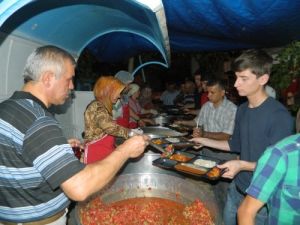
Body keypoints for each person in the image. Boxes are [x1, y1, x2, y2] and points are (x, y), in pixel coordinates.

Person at [0, 45, 149, 224]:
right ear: (48, 78)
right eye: (69, 79)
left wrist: (58, 148)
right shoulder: (38, 120)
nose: (72, 87)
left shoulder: (7, 108)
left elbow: (17, 158)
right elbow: (80, 188)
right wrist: (125, 150)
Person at [191, 49, 294, 225]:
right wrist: (203, 140)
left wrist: (241, 165)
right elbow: (234, 144)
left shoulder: (279, 116)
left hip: (260, 198)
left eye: (244, 78)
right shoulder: (243, 109)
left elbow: (278, 167)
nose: (236, 84)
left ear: (263, 79)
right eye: (236, 77)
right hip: (237, 188)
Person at [238, 134, 300, 225]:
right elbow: (246, 212)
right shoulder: (282, 152)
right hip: (243, 186)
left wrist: (242, 165)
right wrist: (241, 165)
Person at [84, 76, 137, 163]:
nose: (119, 96)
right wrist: (131, 133)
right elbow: (109, 127)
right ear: (109, 91)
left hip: (104, 150)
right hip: (96, 153)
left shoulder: (103, 106)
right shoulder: (97, 106)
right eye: (118, 92)